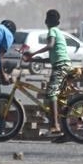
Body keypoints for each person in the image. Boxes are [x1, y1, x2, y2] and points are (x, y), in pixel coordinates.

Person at [22, 9, 70, 139]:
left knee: (51, 94)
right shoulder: (59, 32)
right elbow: (52, 57)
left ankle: (55, 126)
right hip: (64, 65)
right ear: (59, 22)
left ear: (46, 21)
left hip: (60, 67)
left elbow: (50, 45)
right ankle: (61, 127)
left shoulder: (52, 31)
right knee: (57, 96)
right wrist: (34, 59)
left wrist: (33, 53)